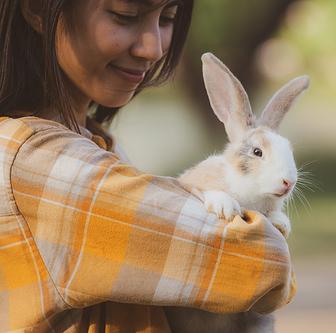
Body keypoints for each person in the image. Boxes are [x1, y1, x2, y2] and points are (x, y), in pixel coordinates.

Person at [0, 0, 296, 331]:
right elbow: (262, 265)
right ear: (39, 9)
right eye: (124, 16)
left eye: (167, 18)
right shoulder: (33, 160)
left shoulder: (101, 144)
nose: (153, 48)